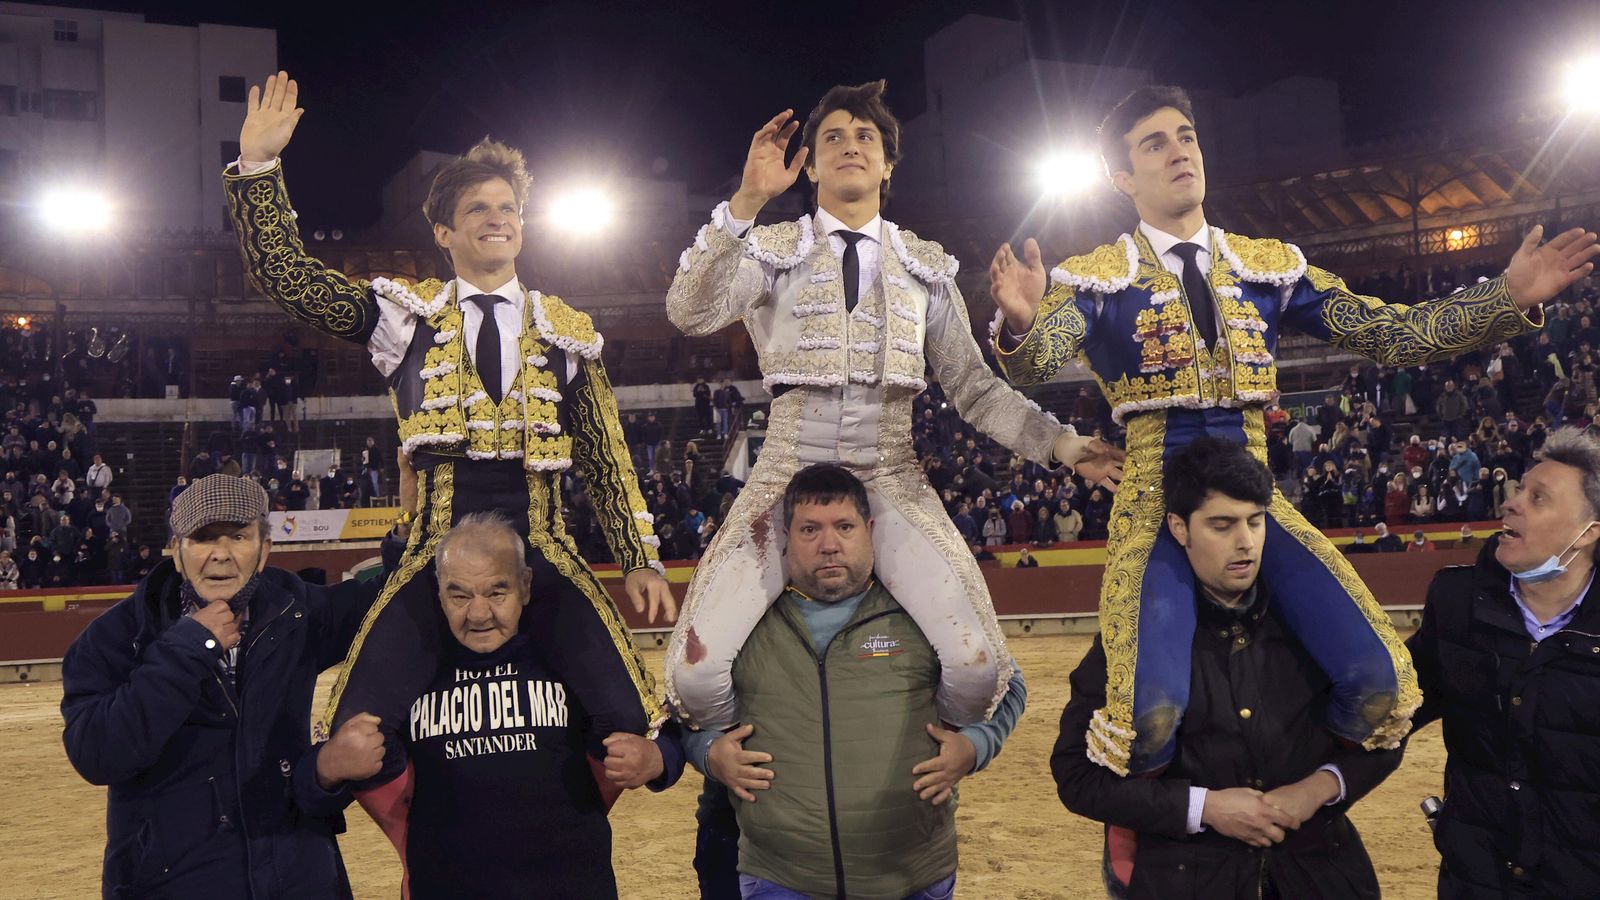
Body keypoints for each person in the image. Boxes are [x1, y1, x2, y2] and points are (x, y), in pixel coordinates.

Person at [989, 84, 1593, 774]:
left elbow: (1392, 332)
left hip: (1256, 499)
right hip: (1158, 504)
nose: (1180, 152)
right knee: (1147, 718)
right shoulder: (1096, 280)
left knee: (1379, 685)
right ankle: (1173, 820)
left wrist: (1504, 299)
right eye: (1155, 144)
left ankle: (1290, 791)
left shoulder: (1267, 267)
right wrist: (1023, 322)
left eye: (1186, 137)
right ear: (1122, 177)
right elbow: (1037, 361)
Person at [225, 72, 672, 817]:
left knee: (630, 717)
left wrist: (639, 557)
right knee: (354, 726)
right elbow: (290, 280)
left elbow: (605, 455)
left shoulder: (567, 329)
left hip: (542, 548)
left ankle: (560, 829)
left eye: (508, 208)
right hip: (435, 546)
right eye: (477, 209)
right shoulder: (404, 316)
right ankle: (421, 845)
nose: (496, 220)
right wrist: (259, 168)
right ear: (443, 232)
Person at [665, 80, 1118, 734]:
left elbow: (975, 388)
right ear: (810, 166)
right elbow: (689, 311)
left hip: (891, 476)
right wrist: (747, 201)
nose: (850, 146)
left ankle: (906, 765)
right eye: (833, 137)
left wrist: (1064, 444)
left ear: (887, 166)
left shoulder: (926, 270)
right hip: (783, 477)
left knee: (978, 668)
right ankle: (763, 768)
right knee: (694, 676)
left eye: (866, 137)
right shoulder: (770, 249)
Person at [1052, 437, 1402, 898]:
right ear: (1179, 527)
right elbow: (1078, 778)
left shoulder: (1315, 628)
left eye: (1255, 522)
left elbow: (1386, 733)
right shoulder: (1134, 641)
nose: (1245, 543)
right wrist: (1206, 808)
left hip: (1317, 873)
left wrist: (1319, 788)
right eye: (1222, 525)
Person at [685, 464, 1026, 898]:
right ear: (786, 537)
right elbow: (687, 715)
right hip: (781, 878)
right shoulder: (742, 624)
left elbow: (1009, 685)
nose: (829, 545)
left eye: (844, 527)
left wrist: (976, 744)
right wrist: (709, 753)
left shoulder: (923, 614)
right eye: (810, 529)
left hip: (913, 876)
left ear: (870, 530)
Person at [60, 475, 399, 899]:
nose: (221, 554)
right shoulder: (114, 638)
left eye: (238, 536)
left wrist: (405, 529)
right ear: (177, 551)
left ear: (264, 550)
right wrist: (189, 648)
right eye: (204, 538)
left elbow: (392, 602)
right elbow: (97, 756)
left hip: (298, 880)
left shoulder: (297, 610)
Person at [317, 513, 685, 899]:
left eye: (496, 593)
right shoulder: (406, 675)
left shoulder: (572, 663)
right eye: (459, 596)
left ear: (525, 585)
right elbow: (319, 788)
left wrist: (658, 759)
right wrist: (325, 770)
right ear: (438, 593)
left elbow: (666, 732)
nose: (479, 615)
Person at [1408, 428, 1600, 896]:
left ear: (1589, 532)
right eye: (1519, 490)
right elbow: (1392, 705)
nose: (1511, 504)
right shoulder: (1456, 603)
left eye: (1538, 498)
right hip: (1477, 881)